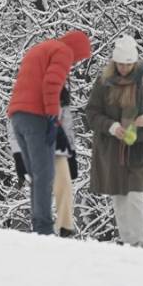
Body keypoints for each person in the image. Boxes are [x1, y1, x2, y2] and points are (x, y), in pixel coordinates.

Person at [7, 30, 93, 235]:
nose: (73, 63)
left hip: (17, 116)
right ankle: (44, 229)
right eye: (78, 58)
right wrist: (52, 118)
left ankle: (40, 225)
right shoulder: (63, 51)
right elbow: (51, 84)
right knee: (45, 176)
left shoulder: (38, 51)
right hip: (37, 116)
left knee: (38, 176)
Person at [83, 34, 143, 247]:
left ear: (135, 63)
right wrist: (112, 126)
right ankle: (128, 241)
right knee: (119, 194)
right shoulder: (104, 82)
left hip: (138, 147)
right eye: (120, 64)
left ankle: (139, 242)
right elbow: (91, 113)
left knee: (135, 194)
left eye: (128, 64)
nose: (124, 69)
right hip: (111, 149)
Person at [8, 84, 79, 236]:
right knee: (41, 185)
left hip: (57, 146)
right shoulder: (26, 92)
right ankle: (41, 227)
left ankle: (64, 226)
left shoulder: (61, 91)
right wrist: (18, 155)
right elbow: (14, 126)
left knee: (64, 183)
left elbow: (66, 123)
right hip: (35, 146)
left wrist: (72, 152)